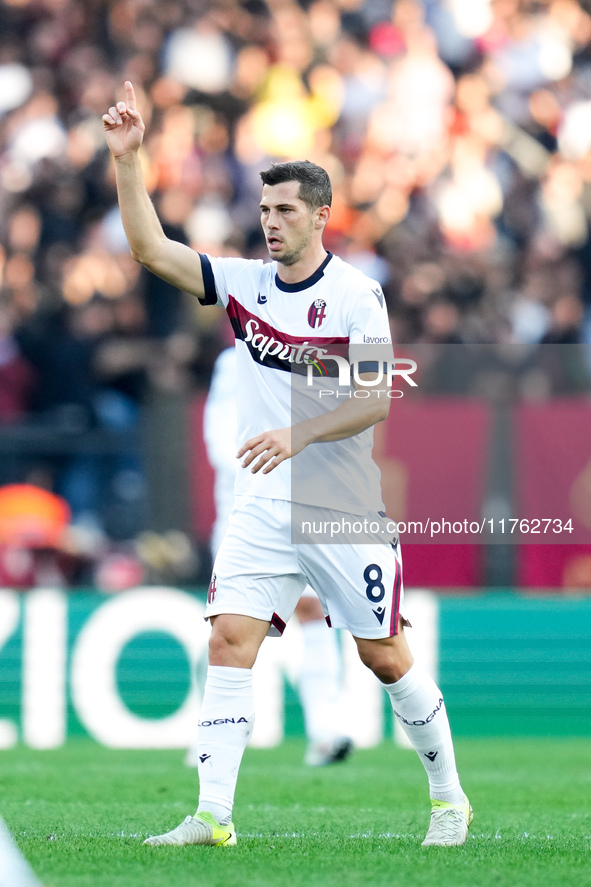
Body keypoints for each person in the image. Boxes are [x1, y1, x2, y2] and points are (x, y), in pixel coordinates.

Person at [103, 82, 472, 848]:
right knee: (229, 638)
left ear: (319, 215)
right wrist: (129, 161)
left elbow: (375, 400)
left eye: (285, 211)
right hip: (264, 502)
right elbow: (149, 250)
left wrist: (300, 437)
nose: (270, 223)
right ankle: (212, 814)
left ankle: (447, 798)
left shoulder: (355, 297)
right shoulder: (243, 284)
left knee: (383, 654)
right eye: (265, 211)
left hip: (338, 502)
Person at [185, 344, 353, 767]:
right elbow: (220, 442)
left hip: (306, 506)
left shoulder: (316, 359)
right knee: (228, 627)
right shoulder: (233, 361)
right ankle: (207, 731)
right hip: (248, 511)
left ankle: (324, 732)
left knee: (314, 610)